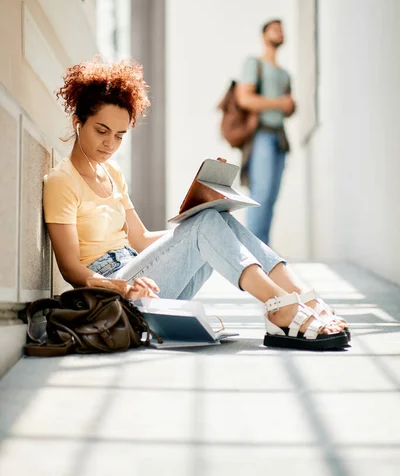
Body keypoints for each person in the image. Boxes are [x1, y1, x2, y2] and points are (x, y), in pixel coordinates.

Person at [43, 59, 349, 351]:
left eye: (120, 135)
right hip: (114, 295)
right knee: (205, 225)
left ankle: (302, 299)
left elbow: (139, 239)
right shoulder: (62, 181)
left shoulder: (112, 173)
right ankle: (280, 307)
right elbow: (71, 270)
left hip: (144, 278)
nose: (110, 143)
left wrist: (200, 212)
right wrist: (122, 288)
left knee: (217, 219)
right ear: (77, 121)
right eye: (101, 131)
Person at [236, 19, 295, 246]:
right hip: (261, 135)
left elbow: (288, 106)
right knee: (259, 196)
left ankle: (264, 251)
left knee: (270, 198)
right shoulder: (255, 64)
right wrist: (280, 103)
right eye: (274, 29)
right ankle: (253, 253)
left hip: (280, 137)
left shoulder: (285, 75)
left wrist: (289, 106)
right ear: (263, 35)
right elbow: (245, 98)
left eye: (282, 29)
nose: (279, 32)